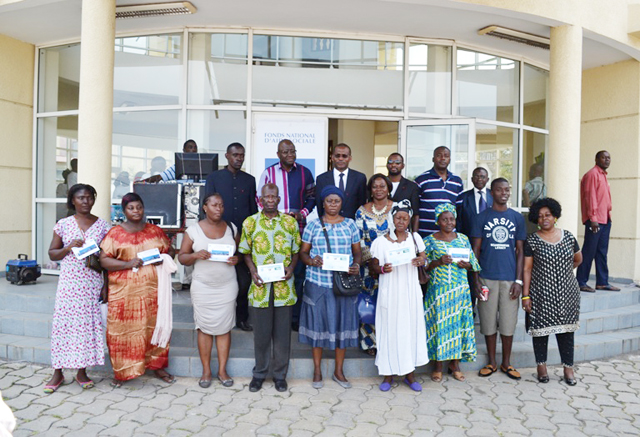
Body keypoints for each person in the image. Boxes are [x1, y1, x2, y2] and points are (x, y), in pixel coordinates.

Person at [99, 192, 175, 388]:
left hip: (152, 293)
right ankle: (122, 373)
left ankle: (157, 366)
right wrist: (128, 263)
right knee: (122, 332)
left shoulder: (155, 231)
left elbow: (169, 251)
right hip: (123, 294)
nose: (136, 211)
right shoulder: (115, 234)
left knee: (154, 328)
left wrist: (162, 258)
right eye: (131, 208)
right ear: (124, 210)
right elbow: (104, 260)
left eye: (139, 207)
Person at [44, 184, 110, 393]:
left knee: (86, 328)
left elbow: (108, 259)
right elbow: (52, 254)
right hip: (69, 285)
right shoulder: (63, 224)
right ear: (72, 200)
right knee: (63, 326)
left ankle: (82, 371)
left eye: (89, 198)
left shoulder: (103, 226)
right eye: (81, 198)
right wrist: (68, 247)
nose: (85, 202)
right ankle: (58, 372)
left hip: (91, 284)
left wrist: (105, 286)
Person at [238, 184, 301, 393]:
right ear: (260, 199)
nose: (271, 200)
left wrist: (291, 268)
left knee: (283, 335)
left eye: (274, 196)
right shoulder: (250, 223)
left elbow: (297, 251)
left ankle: (280, 376)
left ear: (279, 199)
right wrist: (252, 271)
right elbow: (245, 251)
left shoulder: (290, 223)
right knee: (262, 334)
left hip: (284, 287)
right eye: (267, 197)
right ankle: (259, 374)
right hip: (260, 288)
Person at [298, 185, 362, 389]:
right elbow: (303, 253)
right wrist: (312, 261)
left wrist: (357, 265)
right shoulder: (313, 226)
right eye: (329, 201)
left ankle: (339, 371)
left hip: (342, 284)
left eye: (337, 201)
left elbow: (357, 252)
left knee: (342, 326)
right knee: (318, 327)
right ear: (322, 203)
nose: (333, 204)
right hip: (318, 283)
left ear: (342, 203)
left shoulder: (350, 225)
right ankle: (317, 371)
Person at [178, 193, 240, 388]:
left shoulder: (231, 228)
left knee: (224, 328)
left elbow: (237, 253)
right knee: (203, 328)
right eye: (214, 205)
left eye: (221, 205)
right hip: (203, 286)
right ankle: (206, 370)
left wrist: (236, 259)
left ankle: (222, 370)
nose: (219, 208)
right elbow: (181, 257)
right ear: (204, 207)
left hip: (227, 286)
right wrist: (195, 255)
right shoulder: (193, 230)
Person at [369, 200, 428, 391]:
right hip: (390, 292)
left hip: (410, 292)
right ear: (391, 219)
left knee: (410, 330)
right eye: (397, 217)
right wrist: (382, 269)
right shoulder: (380, 242)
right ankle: (388, 375)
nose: (401, 221)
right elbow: (373, 267)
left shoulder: (415, 239)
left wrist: (421, 260)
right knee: (389, 330)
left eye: (405, 218)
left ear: (409, 219)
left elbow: (424, 258)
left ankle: (410, 376)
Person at [257, 138, 315, 331]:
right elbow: (259, 200)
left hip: (297, 230)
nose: (289, 155)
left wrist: (301, 214)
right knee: (273, 271)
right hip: (272, 233)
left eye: (292, 151)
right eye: (285, 152)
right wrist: (274, 218)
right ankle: (271, 316)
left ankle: (294, 318)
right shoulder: (269, 173)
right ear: (278, 154)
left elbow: (312, 197)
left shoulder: (305, 173)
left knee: (297, 274)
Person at [523, 198, 582, 386]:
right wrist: (526, 295)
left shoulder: (569, 237)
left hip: (567, 293)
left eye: (547, 215)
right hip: (540, 293)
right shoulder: (532, 240)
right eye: (540, 216)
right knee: (540, 332)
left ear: (555, 216)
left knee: (566, 332)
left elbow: (577, 260)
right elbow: (527, 270)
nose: (544, 219)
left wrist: (561, 273)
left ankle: (568, 369)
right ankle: (541, 368)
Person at [471, 178, 526, 380]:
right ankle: (492, 362)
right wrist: (475, 279)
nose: (504, 192)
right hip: (486, 277)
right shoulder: (481, 217)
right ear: (491, 193)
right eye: (499, 190)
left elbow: (520, 251)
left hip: (510, 278)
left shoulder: (517, 218)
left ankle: (506, 363)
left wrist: (519, 281)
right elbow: (475, 250)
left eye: (507, 189)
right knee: (487, 321)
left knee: (508, 322)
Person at [424, 203, 480, 383]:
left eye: (452, 219)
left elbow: (474, 264)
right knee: (439, 327)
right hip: (438, 291)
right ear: (437, 221)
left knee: (458, 327)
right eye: (444, 219)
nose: (449, 222)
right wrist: (438, 261)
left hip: (460, 290)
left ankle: (455, 365)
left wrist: (467, 265)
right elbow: (423, 266)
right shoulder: (429, 240)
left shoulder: (463, 238)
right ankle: (438, 366)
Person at [204, 142, 258, 331]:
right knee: (220, 276)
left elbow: (253, 210)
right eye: (235, 155)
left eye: (242, 155)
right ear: (227, 156)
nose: (239, 158)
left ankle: (241, 318)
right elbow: (207, 207)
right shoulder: (214, 178)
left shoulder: (249, 180)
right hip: (220, 235)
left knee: (243, 280)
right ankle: (221, 317)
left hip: (242, 237)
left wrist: (251, 235)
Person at [354, 174, 394, 355]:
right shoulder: (361, 211)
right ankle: (369, 343)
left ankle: (388, 342)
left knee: (390, 304)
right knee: (368, 304)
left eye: (382, 186)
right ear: (370, 190)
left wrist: (385, 262)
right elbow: (358, 238)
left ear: (388, 188)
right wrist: (371, 263)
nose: (379, 190)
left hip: (391, 266)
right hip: (368, 267)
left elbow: (402, 235)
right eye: (375, 186)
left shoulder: (397, 208)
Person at [576, 151, 619, 292]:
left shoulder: (603, 175)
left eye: (609, 158)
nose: (607, 160)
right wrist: (593, 218)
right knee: (589, 251)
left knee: (601, 252)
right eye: (603, 157)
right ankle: (581, 282)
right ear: (596, 159)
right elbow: (590, 197)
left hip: (605, 219)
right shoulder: (592, 174)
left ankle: (602, 282)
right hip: (595, 221)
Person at [456, 167, 493, 309]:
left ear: (487, 180)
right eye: (476, 176)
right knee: (471, 280)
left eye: (483, 177)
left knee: (486, 280)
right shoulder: (463, 198)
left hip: (489, 248)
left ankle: (488, 312)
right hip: (469, 245)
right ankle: (471, 311)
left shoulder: (493, 196)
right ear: (471, 179)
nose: (479, 179)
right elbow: (458, 223)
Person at [415, 146, 464, 238]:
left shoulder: (457, 181)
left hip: (449, 237)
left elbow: (459, 209)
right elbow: (415, 210)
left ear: (449, 159)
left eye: (446, 156)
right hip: (425, 235)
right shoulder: (421, 180)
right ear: (433, 159)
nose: (443, 158)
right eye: (439, 155)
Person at [315, 143, 367, 219]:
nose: (340, 159)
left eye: (344, 156)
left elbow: (362, 204)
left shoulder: (360, 178)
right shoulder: (321, 179)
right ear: (332, 157)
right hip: (329, 224)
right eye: (337, 156)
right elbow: (319, 205)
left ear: (350, 158)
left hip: (353, 224)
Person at [387, 153, 420, 232]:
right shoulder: (380, 184)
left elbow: (415, 215)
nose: (393, 165)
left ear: (403, 166)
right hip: (382, 231)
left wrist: (414, 235)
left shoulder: (411, 187)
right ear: (387, 165)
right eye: (390, 162)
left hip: (403, 232)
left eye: (397, 163)